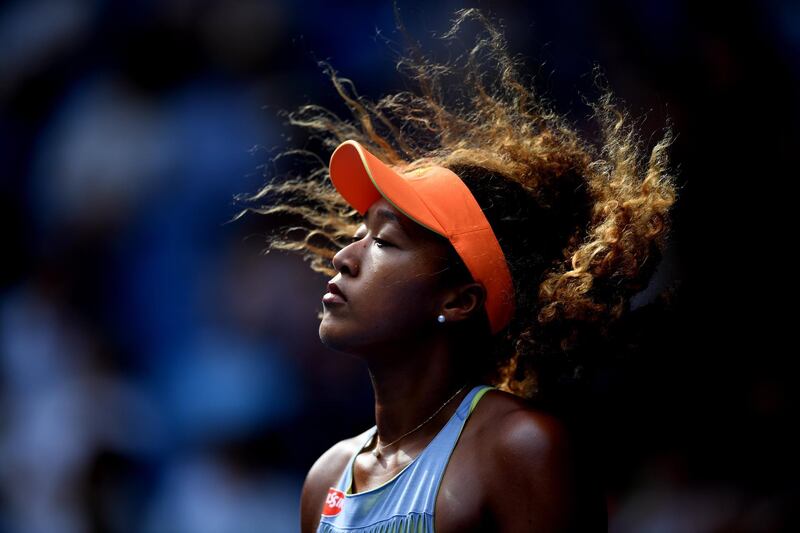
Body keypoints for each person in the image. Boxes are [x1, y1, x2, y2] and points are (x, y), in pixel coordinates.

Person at [235, 7, 679, 532]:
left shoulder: (521, 450)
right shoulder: (326, 478)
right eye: (357, 235)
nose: (344, 257)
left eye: (383, 242)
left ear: (459, 299)